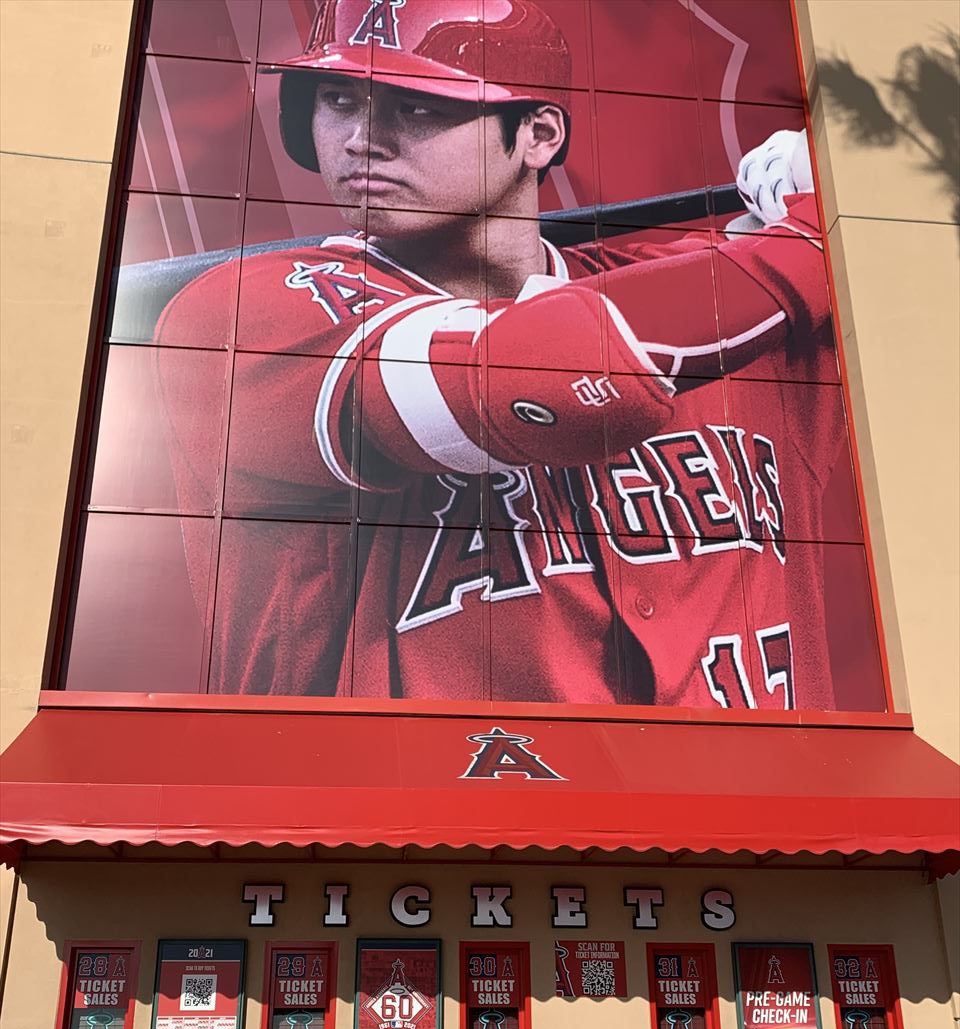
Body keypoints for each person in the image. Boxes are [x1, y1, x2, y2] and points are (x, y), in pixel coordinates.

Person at [155, 0, 878, 709]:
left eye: (415, 106)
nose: (360, 140)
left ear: (536, 134)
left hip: (760, 820)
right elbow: (559, 380)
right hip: (412, 821)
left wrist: (868, 191)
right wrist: (825, 229)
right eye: (339, 98)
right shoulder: (246, 316)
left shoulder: (728, 295)